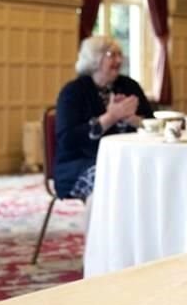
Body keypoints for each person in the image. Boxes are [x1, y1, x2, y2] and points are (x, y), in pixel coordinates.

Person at [54, 36, 154, 201]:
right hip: (79, 164)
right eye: (111, 54)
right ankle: (101, 227)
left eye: (120, 54)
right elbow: (67, 139)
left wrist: (133, 119)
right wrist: (111, 117)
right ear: (95, 58)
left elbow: (152, 124)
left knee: (151, 176)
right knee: (108, 183)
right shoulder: (73, 92)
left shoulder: (129, 86)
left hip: (128, 161)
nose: (119, 60)